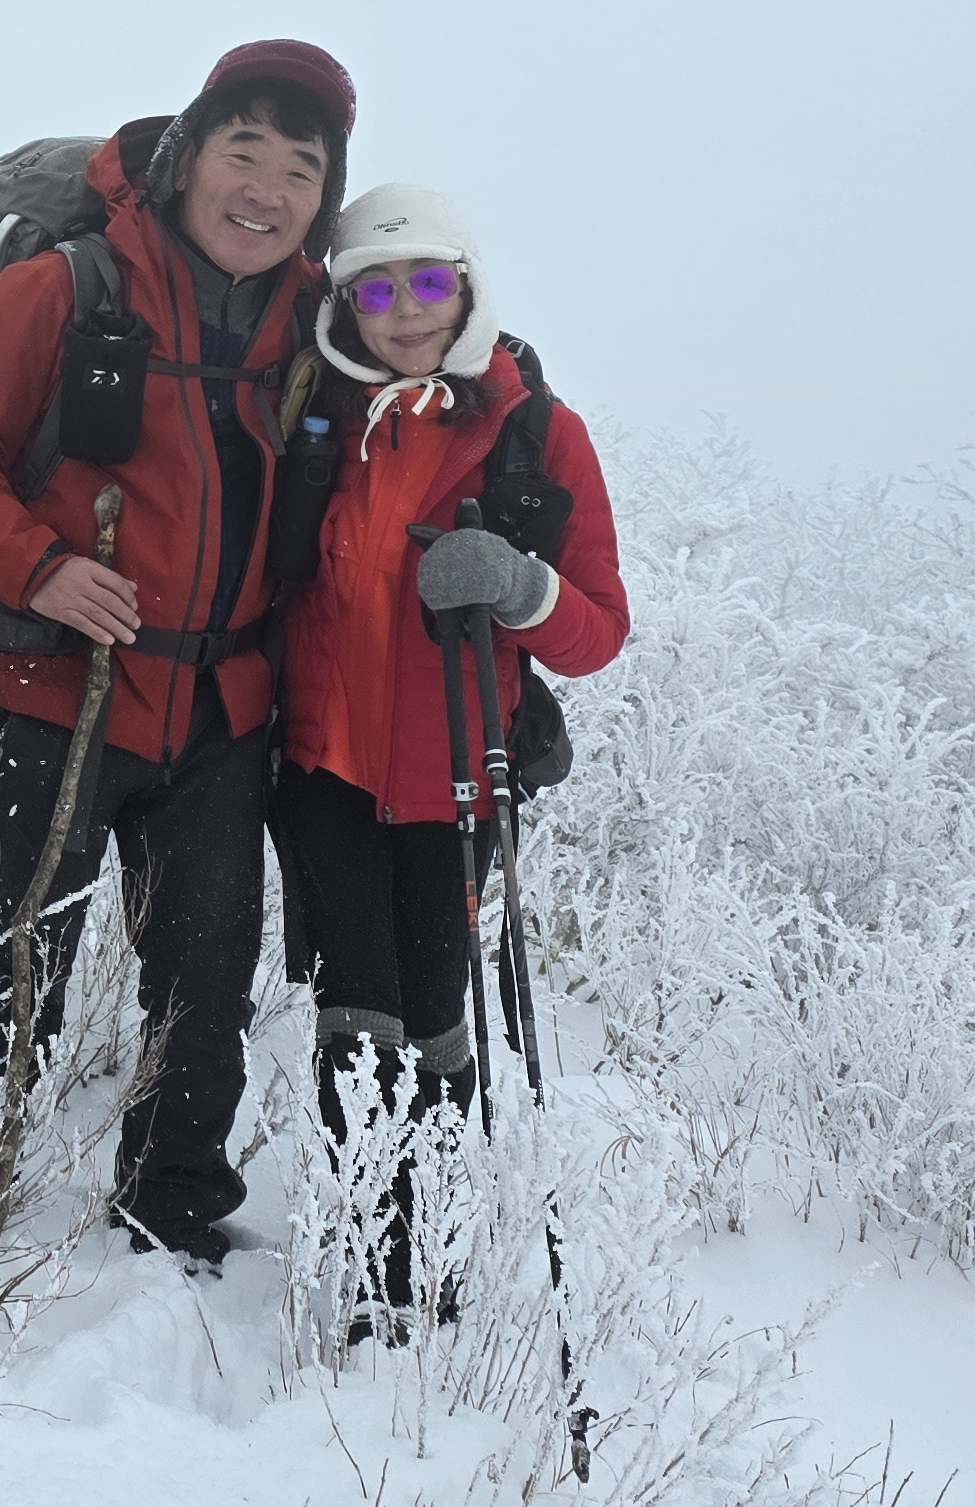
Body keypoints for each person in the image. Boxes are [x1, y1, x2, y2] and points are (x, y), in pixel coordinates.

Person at [0, 39, 353, 1268]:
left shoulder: (318, 321)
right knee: (15, 963)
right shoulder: (70, 285)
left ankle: (173, 1210)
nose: (265, 189)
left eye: (301, 168)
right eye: (243, 151)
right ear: (185, 158)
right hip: (57, 682)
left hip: (220, 706)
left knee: (206, 981)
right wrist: (39, 565)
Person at [266, 181, 627, 1315]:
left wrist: (521, 588)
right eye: (375, 289)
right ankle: (371, 1264)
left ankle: (431, 1253)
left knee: (433, 1021)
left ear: (466, 287)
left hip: (455, 781)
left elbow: (597, 632)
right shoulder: (315, 415)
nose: (406, 308)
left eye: (428, 280)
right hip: (321, 774)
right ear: (345, 304)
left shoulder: (537, 433)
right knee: (353, 1016)